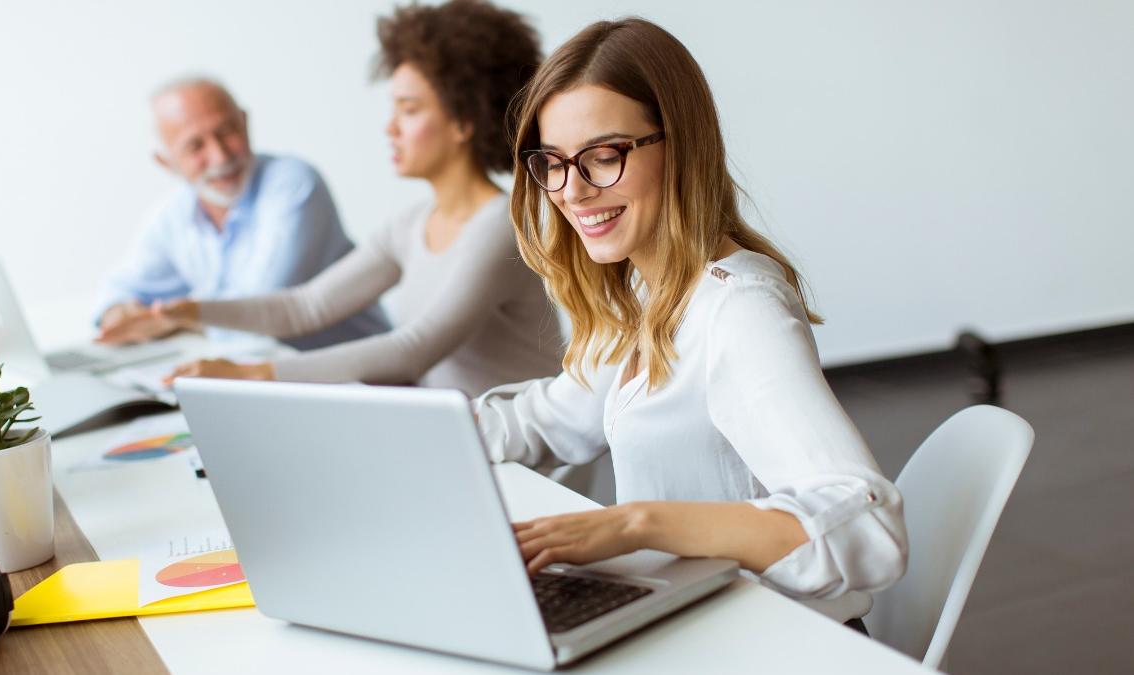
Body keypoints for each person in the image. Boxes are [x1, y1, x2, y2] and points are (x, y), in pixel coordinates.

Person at [474, 18, 907, 626]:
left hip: (768, 639)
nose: (572, 191)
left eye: (604, 155)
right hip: (700, 617)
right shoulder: (645, 297)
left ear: (679, 145)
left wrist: (636, 523)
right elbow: (543, 422)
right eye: (552, 161)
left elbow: (870, 524)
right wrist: (405, 437)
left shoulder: (740, 310)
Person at [157, 0, 563, 397]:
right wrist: (187, 311)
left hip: (527, 460)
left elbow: (412, 350)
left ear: (464, 121)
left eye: (408, 110)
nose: (390, 128)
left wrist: (255, 374)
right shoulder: (410, 225)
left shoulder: (500, 226)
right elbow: (304, 307)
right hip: (465, 440)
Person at [94, 78, 390, 350]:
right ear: (165, 161)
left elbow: (260, 312)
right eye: (195, 146)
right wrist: (119, 311)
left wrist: (175, 319)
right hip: (263, 378)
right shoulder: (173, 215)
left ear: (245, 123)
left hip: (358, 381)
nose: (221, 156)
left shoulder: (294, 183)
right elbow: (118, 291)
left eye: (227, 132)